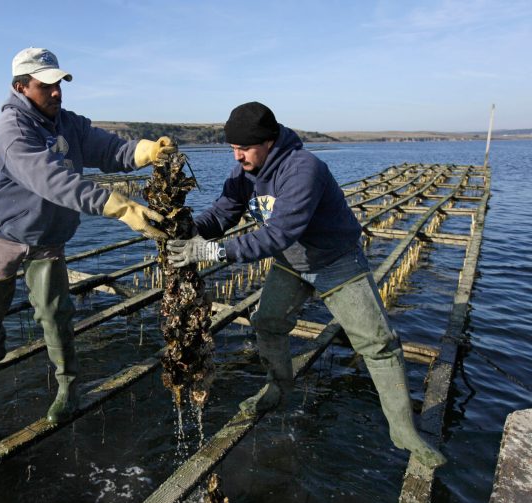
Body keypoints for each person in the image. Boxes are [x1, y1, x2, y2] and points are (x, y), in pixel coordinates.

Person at [166, 101, 447, 468]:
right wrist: (189, 232)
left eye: (244, 148)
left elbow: (278, 235)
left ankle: (403, 430)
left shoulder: (303, 169)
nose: (237, 156)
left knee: (378, 343)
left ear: (269, 141)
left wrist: (212, 253)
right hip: (293, 263)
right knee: (267, 322)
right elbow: (223, 211)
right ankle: (277, 390)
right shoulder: (243, 171)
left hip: (335, 261)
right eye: (232, 148)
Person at [0, 47, 175, 424]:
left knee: (55, 313)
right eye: (47, 86)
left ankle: (67, 384)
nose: (57, 93)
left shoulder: (68, 123)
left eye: (60, 84)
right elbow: (53, 181)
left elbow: (109, 149)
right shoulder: (12, 132)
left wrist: (146, 151)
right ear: (21, 87)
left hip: (48, 237)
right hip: (3, 232)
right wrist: (121, 207)